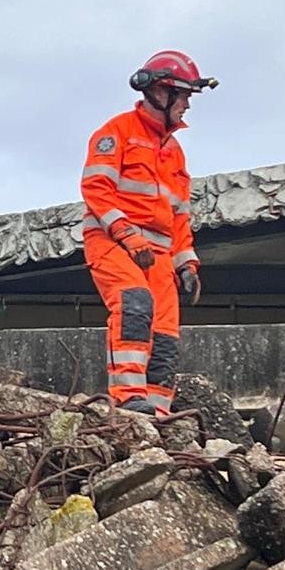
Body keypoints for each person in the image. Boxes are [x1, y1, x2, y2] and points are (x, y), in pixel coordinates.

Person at [80, 50, 218, 416]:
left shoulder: (174, 152)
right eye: (185, 94)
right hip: (113, 244)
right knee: (134, 305)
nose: (188, 104)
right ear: (161, 91)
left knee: (166, 331)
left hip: (156, 254)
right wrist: (128, 235)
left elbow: (179, 218)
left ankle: (157, 414)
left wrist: (187, 265)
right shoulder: (116, 133)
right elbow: (96, 189)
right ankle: (128, 401)